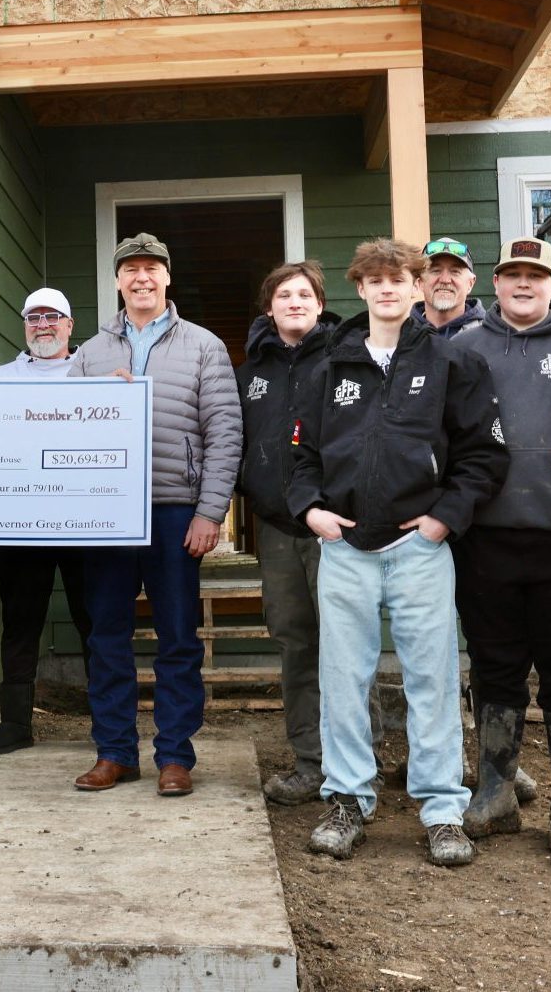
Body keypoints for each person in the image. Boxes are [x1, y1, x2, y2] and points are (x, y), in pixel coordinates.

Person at [287, 237, 507, 868]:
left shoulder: (449, 364)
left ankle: (441, 809)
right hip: (346, 548)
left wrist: (442, 520)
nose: (388, 289)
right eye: (375, 279)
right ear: (360, 288)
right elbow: (298, 455)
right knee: (343, 676)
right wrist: (311, 513)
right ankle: (349, 799)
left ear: (417, 289)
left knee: (432, 680)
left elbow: (484, 455)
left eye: (400, 279)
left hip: (418, 549)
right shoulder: (329, 366)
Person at [68, 233, 242, 798]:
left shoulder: (204, 345)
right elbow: (65, 430)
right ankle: (115, 752)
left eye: (151, 268)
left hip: (174, 511)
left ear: (166, 278)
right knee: (108, 637)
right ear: (117, 281)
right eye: (130, 269)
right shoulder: (90, 353)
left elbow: (224, 435)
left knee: (177, 638)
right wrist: (99, 402)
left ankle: (174, 756)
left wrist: (210, 511)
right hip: (108, 516)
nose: (141, 277)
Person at [452, 238, 551, 848]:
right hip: (485, 535)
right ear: (496, 283)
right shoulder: (463, 346)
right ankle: (496, 787)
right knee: (494, 664)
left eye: (535, 276)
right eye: (512, 276)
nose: (523, 285)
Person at [235, 261, 341, 805]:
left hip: (336, 531)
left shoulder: (346, 357)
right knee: (296, 644)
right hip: (277, 529)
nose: (295, 301)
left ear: (320, 305)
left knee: (346, 647)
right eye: (284, 294)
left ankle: (353, 763)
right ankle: (310, 762)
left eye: (305, 294)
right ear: (269, 307)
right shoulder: (251, 372)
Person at [0, 286, 93, 755]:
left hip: (87, 521)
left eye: (52, 317)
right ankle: (16, 724)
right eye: (33, 318)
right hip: (20, 523)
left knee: (94, 621)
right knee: (21, 622)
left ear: (70, 326)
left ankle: (108, 723)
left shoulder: (97, 372)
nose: (42, 326)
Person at [411, 236, 487, 339]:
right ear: (420, 282)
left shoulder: (491, 337)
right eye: (436, 271)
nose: (445, 280)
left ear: (470, 284)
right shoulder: (399, 336)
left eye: (455, 272)